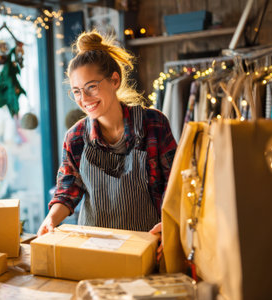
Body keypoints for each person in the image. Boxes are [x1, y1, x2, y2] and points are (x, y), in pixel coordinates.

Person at [37, 31, 177, 245]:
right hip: (95, 248)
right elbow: (67, 191)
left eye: (91, 87)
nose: (84, 99)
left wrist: (169, 225)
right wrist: (50, 219)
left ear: (114, 80)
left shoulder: (153, 124)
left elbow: (175, 185)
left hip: (148, 245)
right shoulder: (75, 137)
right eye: (76, 91)